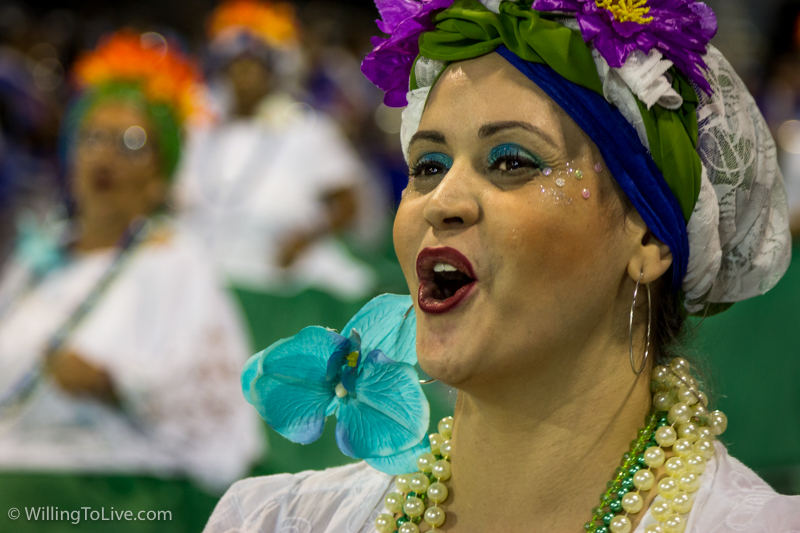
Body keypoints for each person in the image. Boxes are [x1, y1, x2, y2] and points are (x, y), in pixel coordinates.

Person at [204, 1, 800, 532]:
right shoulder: (274, 520)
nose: (441, 201)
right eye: (427, 166)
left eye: (511, 160)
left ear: (647, 239)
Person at [0, 31, 263, 533]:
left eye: (131, 143)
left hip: (110, 486)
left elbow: (211, 401)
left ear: (160, 174)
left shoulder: (174, 260)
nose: (106, 157)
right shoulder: (41, 253)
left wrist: (113, 385)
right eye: (92, 137)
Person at [176, 0, 377, 302]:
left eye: (253, 64)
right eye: (235, 65)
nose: (243, 74)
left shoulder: (307, 129)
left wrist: (306, 238)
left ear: (274, 70)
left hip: (283, 275)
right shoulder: (199, 132)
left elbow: (347, 202)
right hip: (207, 273)